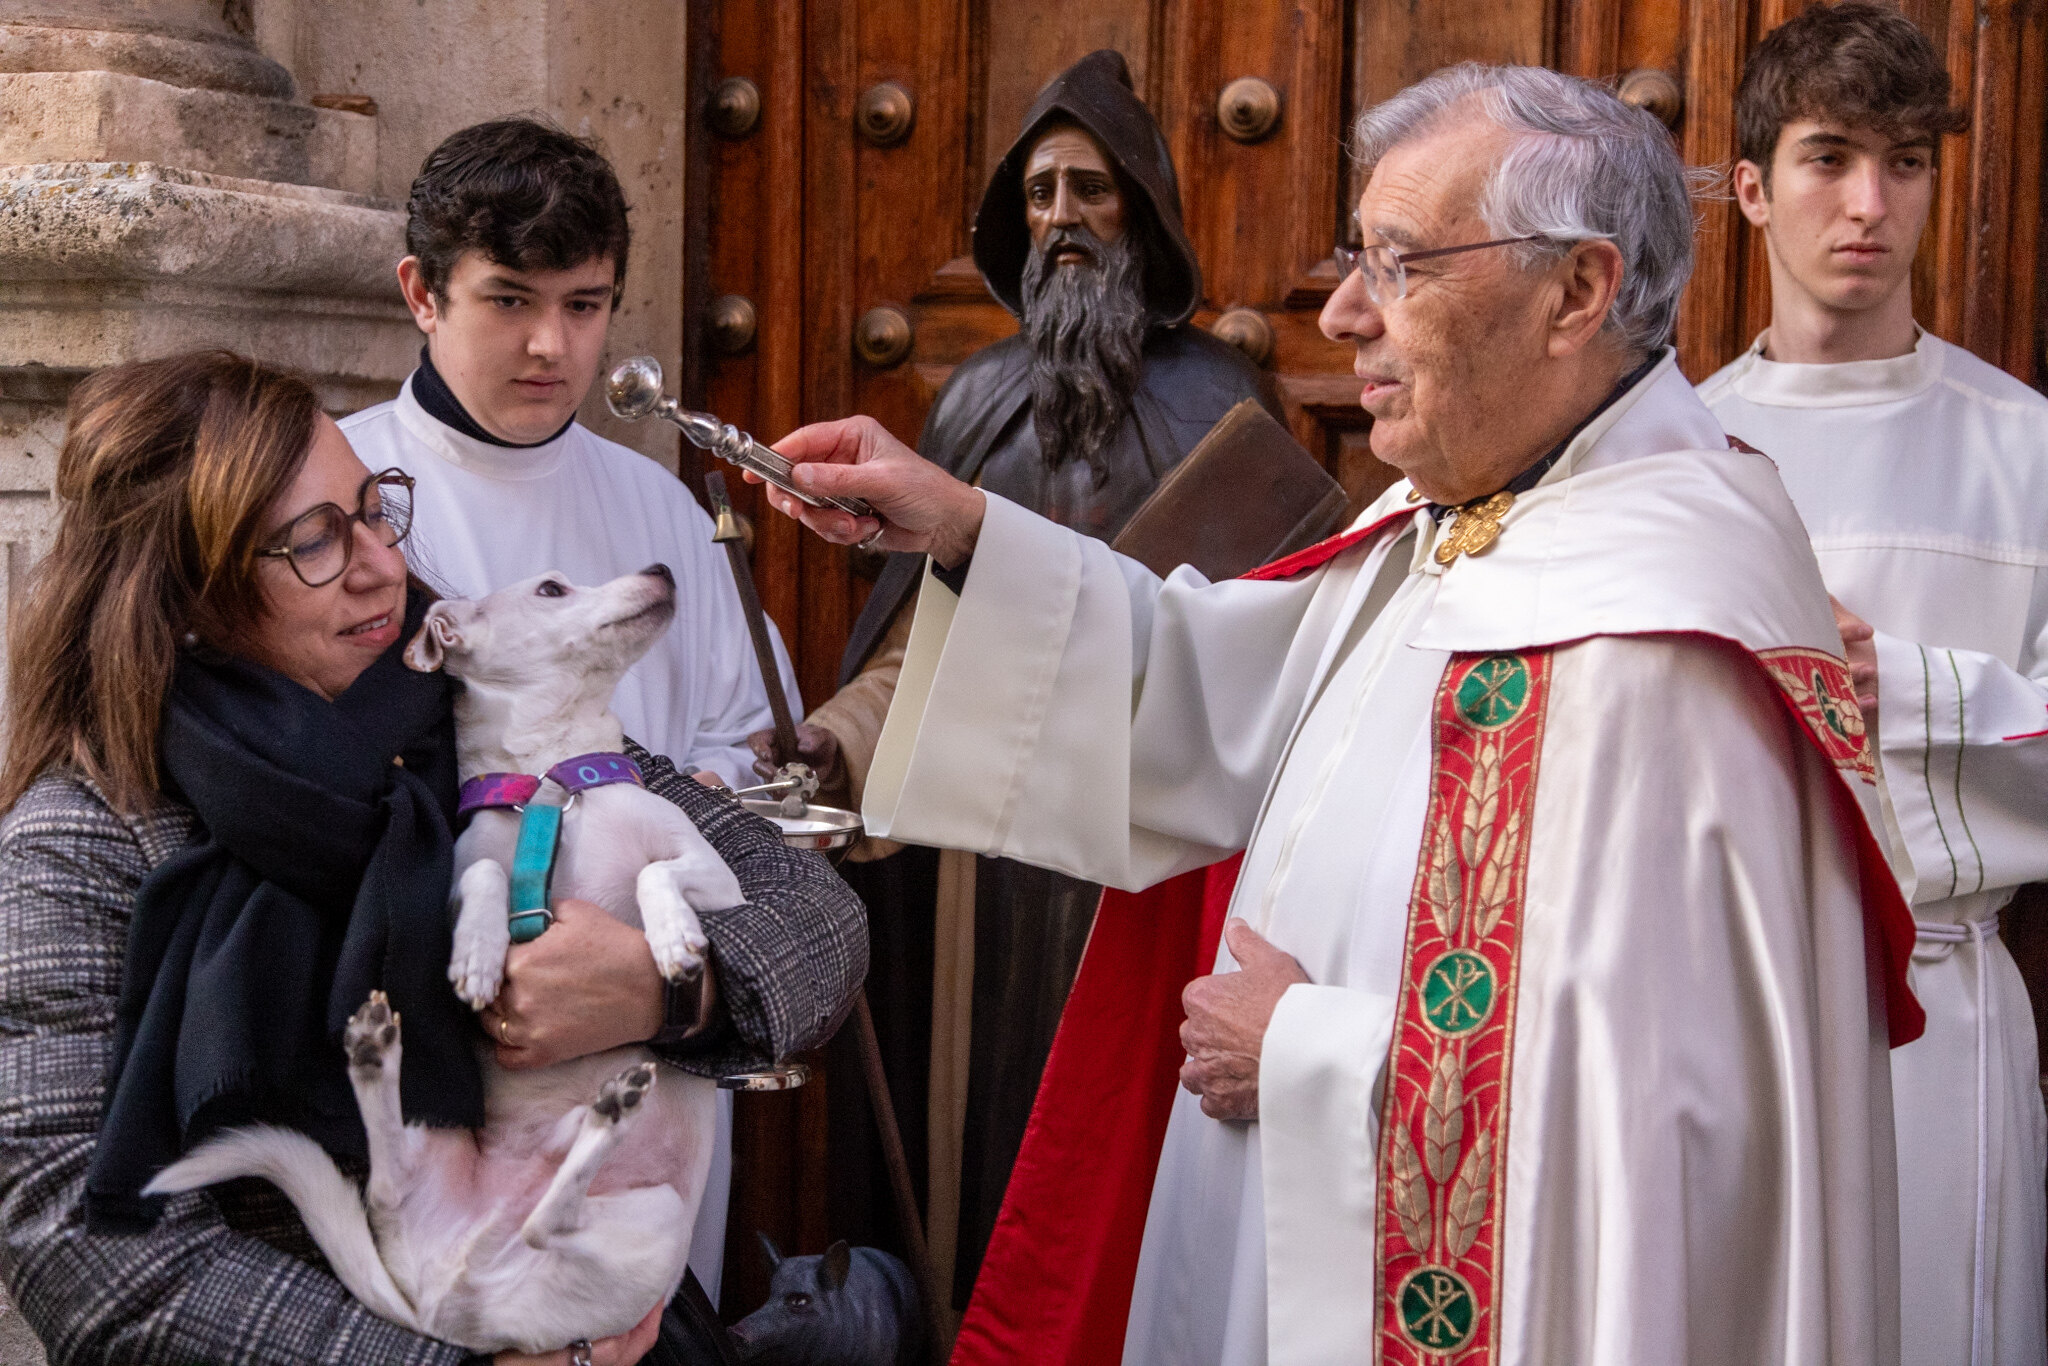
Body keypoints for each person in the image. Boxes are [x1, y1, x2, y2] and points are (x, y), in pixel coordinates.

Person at [758, 64, 1923, 1365]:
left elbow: (1667, 1129)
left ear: (1577, 292)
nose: (1345, 311)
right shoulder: (1462, 513)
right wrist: (966, 528)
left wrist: (1305, 1053)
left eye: (1400, 264)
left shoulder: (1661, 635)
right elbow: (1205, 690)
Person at [0, 351, 864, 1365]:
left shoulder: (487, 710)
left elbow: (816, 919)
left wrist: (666, 988)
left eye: (374, 510)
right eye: (312, 541)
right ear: (187, 596)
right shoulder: (81, 841)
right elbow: (84, 1245)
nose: (380, 564)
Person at [751, 48, 1267, 1301]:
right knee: (984, 1127)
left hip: (1153, 836)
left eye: (1089, 188)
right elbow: (914, 637)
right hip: (986, 850)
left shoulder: (1221, 397)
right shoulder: (977, 398)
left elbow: (1258, 640)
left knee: (1129, 1145)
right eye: (1039, 194)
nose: (1062, 218)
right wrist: (836, 741)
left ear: (1139, 205)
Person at [339, 117, 802, 1304]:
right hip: (444, 1048)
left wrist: (654, 934)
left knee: (636, 1310)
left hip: (647, 1051)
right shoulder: (343, 494)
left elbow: (739, 748)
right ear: (421, 294)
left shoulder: (660, 511)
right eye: (510, 300)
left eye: (585, 305)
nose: (552, 344)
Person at [1696, 7, 2048, 1362]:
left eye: (1905, 164)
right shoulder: (1680, 453)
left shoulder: (2023, 451)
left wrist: (1894, 685)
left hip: (1938, 1019)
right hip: (1720, 1011)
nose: (1868, 205)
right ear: (1749, 188)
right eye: (1828, 158)